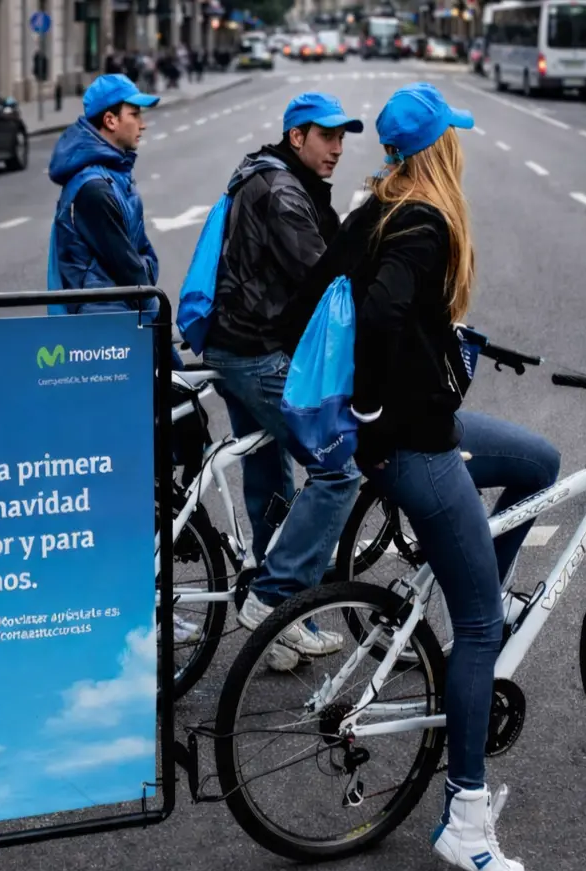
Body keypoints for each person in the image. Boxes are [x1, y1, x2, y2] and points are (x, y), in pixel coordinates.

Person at [319, 82, 560, 871]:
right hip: (415, 450)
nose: (462, 146)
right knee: (482, 630)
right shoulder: (421, 221)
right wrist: (380, 404)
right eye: (453, 137)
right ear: (435, 151)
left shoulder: (374, 208)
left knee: (538, 464)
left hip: (420, 436)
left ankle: (476, 584)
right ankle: (465, 818)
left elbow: (336, 293)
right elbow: (382, 314)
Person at [202, 93, 365, 671]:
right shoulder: (283, 193)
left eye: (343, 138)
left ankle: (282, 630)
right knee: (338, 470)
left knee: (272, 478)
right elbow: (325, 279)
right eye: (327, 137)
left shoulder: (270, 175)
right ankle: (271, 598)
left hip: (236, 344)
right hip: (256, 353)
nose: (338, 149)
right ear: (297, 137)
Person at [47, 74, 163, 321]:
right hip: (104, 328)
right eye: (134, 114)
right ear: (110, 120)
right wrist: (146, 268)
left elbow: (143, 260)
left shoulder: (115, 176)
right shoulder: (94, 189)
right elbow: (135, 276)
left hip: (120, 313)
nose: (142, 125)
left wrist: (146, 267)